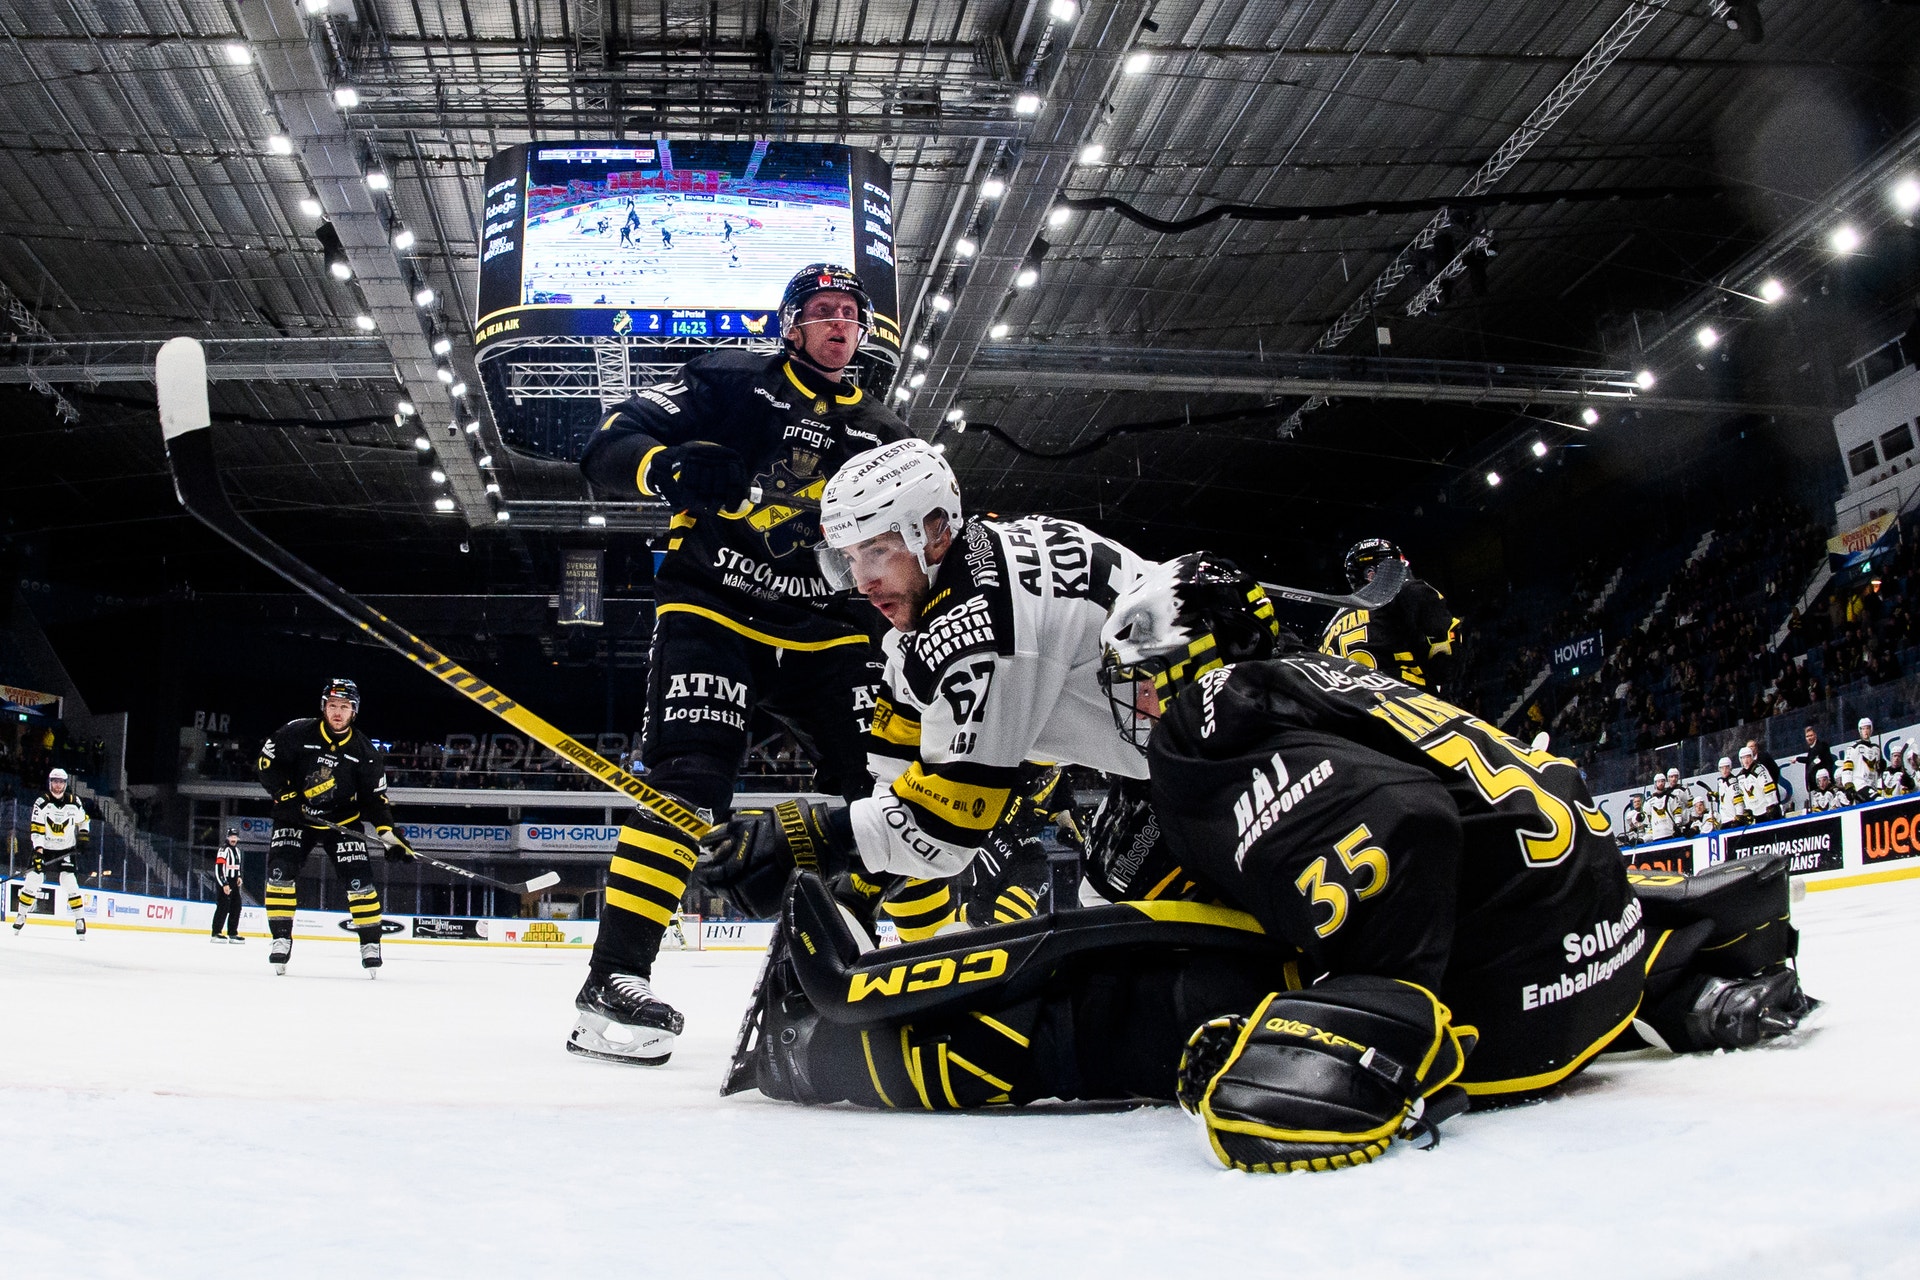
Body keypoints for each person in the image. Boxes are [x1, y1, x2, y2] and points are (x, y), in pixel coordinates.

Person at [722, 554, 1815, 1174]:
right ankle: (1694, 983)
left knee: (1145, 991)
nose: (1133, 700)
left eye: (1137, 674)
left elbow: (1405, 828)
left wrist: (1374, 1003)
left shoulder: (1211, 712)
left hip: (1496, 1010)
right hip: (1596, 965)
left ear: (1180, 660)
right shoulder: (1325, 678)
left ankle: (825, 1047)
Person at [568, 264, 908, 1065]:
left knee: (886, 790)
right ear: (791, 324)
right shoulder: (728, 379)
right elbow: (608, 444)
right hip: (714, 610)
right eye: (822, 310)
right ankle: (611, 983)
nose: (839, 323)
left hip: (827, 628)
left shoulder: (886, 431)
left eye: (849, 313)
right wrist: (667, 466)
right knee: (689, 781)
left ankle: (883, 963)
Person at [702, 437, 1152, 937]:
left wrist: (810, 839)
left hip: (1210, 754)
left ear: (935, 529)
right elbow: (895, 780)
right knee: (1110, 899)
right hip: (1170, 759)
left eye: (876, 550)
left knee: (1142, 934)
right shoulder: (953, 590)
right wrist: (859, 880)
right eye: (849, 558)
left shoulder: (980, 626)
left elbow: (943, 830)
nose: (862, 582)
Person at [255, 679, 414, 976]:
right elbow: (267, 765)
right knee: (280, 873)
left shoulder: (365, 751)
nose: (337, 712)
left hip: (341, 821)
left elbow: (374, 800)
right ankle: (280, 939)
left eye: (344, 706)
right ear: (323, 707)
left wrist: (388, 834)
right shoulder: (296, 732)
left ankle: (370, 944)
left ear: (354, 710)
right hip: (296, 816)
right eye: (332, 705)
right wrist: (286, 797)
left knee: (360, 882)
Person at [1317, 538, 1459, 692]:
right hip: (1400, 692)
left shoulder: (1329, 627)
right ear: (1370, 573)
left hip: (1349, 700)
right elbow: (1445, 658)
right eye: (1397, 566)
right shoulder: (1406, 591)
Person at [13, 767, 90, 936]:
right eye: (55, 781)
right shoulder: (41, 803)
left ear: (65, 784)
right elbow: (37, 829)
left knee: (69, 881)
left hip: (66, 849)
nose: (58, 785)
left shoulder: (74, 802)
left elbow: (84, 821)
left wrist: (84, 837)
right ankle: (21, 915)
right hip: (45, 848)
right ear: (50, 783)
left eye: (61, 782)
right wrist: (38, 852)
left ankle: (80, 919)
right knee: (33, 879)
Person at [210, 826, 244, 943]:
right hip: (224, 881)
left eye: (235, 837)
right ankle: (216, 932)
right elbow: (219, 868)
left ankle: (233, 932)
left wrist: (239, 876)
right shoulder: (223, 850)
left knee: (236, 906)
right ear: (227, 837)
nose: (233, 839)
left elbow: (237, 866)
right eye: (231, 837)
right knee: (223, 906)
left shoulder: (237, 851)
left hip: (234, 882)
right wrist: (224, 883)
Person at [1737, 744, 1782, 823]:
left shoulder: (1759, 770)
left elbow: (1769, 787)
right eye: (1743, 758)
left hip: (1766, 810)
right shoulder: (1740, 776)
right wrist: (1747, 809)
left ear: (1752, 757)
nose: (1746, 760)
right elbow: (1743, 795)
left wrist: (1772, 804)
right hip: (1755, 813)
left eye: (1748, 757)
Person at [1799, 725, 1836, 796]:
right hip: (1814, 787)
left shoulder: (1822, 746)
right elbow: (1810, 760)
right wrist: (1798, 759)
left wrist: (1829, 779)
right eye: (1807, 736)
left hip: (1824, 786)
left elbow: (1829, 762)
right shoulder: (1811, 749)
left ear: (1815, 735)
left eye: (1811, 735)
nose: (1809, 738)